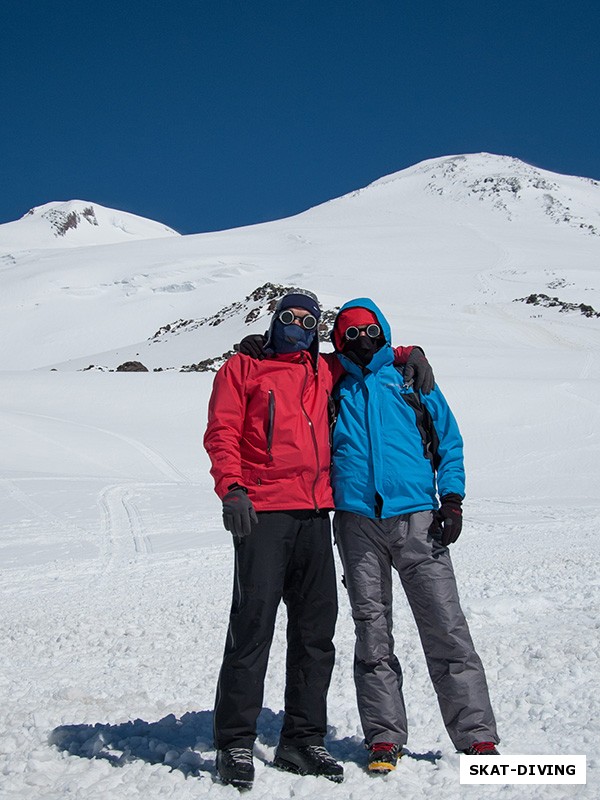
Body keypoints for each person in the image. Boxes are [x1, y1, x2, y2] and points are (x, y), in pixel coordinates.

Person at [203, 289, 433, 790]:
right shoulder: (241, 369)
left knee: (315, 630)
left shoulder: (323, 369)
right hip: (262, 512)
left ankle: (302, 739)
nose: (297, 325)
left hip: (314, 513)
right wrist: (233, 489)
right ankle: (235, 741)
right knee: (253, 624)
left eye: (308, 320)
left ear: (316, 329)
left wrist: (408, 353)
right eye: (288, 317)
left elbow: (365, 351)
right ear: (274, 321)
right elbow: (221, 432)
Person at [329, 298, 500, 773]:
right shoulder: (333, 384)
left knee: (446, 628)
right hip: (356, 524)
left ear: (383, 332)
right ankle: (384, 738)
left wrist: (453, 499)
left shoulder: (409, 377)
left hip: (418, 521)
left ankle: (476, 738)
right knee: (372, 635)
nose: (362, 340)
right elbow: (292, 366)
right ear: (339, 341)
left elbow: (449, 440)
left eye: (369, 331)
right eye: (350, 334)